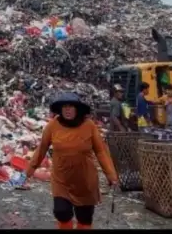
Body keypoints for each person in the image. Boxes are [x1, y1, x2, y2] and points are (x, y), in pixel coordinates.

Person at [26, 93, 118, 230]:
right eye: (64, 107)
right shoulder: (53, 125)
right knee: (61, 212)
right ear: (60, 109)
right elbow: (41, 149)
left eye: (71, 107)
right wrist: (28, 172)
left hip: (85, 181)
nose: (67, 110)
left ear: (77, 109)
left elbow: (101, 151)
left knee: (84, 218)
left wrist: (111, 176)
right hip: (61, 179)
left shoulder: (89, 125)